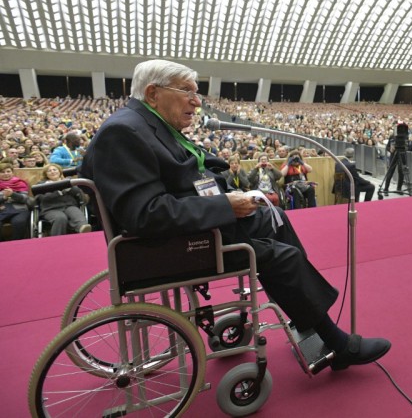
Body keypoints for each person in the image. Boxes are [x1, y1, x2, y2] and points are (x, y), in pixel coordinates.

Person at [80, 59, 390, 371]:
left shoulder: (152, 124)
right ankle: (337, 342)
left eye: (197, 93)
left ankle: (307, 315)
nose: (196, 102)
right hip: (171, 246)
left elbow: (194, 169)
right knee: (283, 258)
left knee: (276, 218)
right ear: (152, 93)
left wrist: (231, 194)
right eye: (187, 91)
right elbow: (145, 215)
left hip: (198, 226)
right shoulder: (124, 132)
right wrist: (225, 206)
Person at [34, 163, 91, 235]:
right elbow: (41, 198)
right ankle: (58, 238)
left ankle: (83, 230)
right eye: (49, 171)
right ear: (46, 174)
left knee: (76, 215)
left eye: (54, 170)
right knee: (60, 218)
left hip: (69, 206)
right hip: (50, 209)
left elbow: (78, 193)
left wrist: (70, 188)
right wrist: (56, 191)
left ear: (59, 171)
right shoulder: (41, 184)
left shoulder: (68, 181)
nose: (52, 172)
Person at [0, 161, 32, 240]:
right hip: (1, 209)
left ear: (12, 172)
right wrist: (3, 197)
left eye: (8, 171)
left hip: (19, 209)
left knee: (19, 222)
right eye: (2, 172)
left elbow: (24, 199)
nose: (6, 174)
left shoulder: (20, 183)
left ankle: (17, 243)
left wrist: (12, 194)